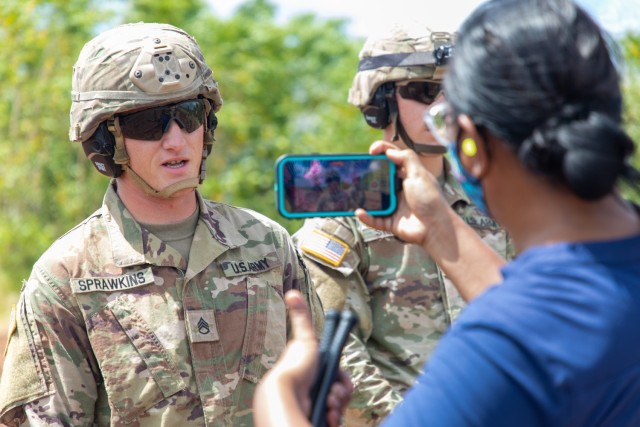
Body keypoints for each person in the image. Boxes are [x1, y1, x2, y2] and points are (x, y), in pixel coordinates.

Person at [254, 0, 640, 425]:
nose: (442, 110)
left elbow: (527, 323)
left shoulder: (505, 333)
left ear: (472, 139)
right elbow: (346, 351)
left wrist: (277, 397)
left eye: (451, 94)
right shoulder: (349, 216)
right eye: (423, 92)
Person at [0, 22, 323, 426]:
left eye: (189, 115)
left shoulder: (267, 246)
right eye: (149, 123)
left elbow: (322, 391)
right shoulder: (66, 277)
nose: (176, 140)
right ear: (105, 141)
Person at [292, 21, 513, 425]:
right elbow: (337, 348)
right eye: (426, 92)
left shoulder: (498, 199)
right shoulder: (343, 209)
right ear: (380, 104)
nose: (446, 105)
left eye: (458, 89)